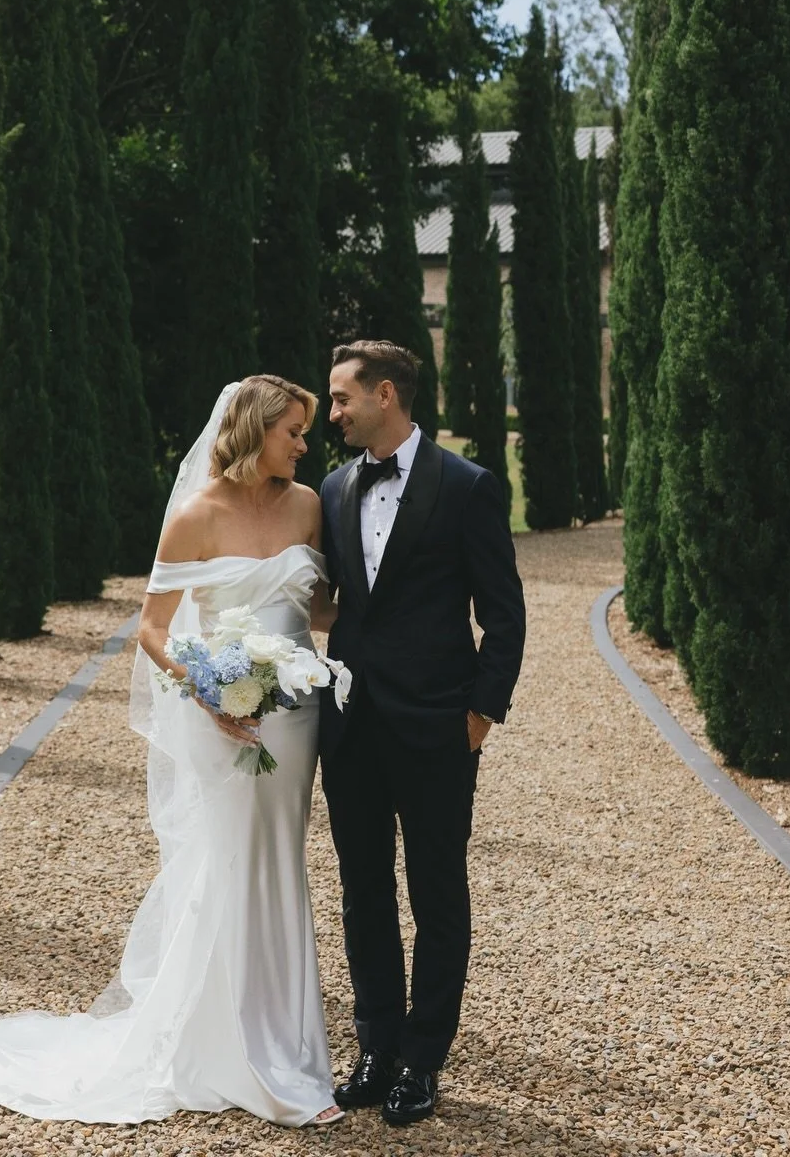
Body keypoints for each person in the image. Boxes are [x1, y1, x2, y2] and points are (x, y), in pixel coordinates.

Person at [0, 375, 345, 1128]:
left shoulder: (308, 507)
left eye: (306, 431)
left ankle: (284, 1041)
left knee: (283, 861)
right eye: (293, 432)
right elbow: (150, 629)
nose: (306, 445)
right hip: (225, 717)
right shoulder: (195, 517)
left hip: (296, 717)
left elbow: (323, 607)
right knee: (231, 862)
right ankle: (228, 1050)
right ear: (252, 432)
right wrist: (206, 688)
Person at [320, 338, 526, 1127]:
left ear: (385, 395)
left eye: (341, 398)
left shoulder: (467, 487)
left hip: (440, 724)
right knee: (362, 888)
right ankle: (375, 1046)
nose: (332, 413)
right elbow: (336, 605)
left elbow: (502, 613)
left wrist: (481, 712)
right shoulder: (335, 486)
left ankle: (423, 1057)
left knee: (437, 892)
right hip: (350, 723)